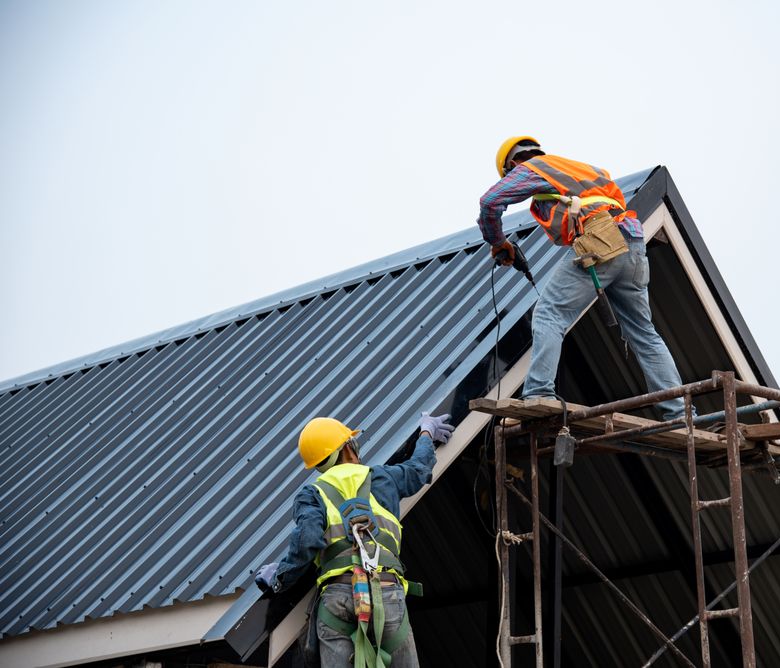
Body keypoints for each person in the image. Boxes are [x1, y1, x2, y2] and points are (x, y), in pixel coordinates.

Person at [478, 136, 690, 422]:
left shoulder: (534, 167)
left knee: (549, 313)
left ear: (513, 164)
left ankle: (539, 393)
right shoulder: (584, 170)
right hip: (632, 242)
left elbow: (490, 202)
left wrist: (497, 241)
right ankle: (679, 414)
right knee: (644, 332)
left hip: (601, 239)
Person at [255, 412, 455, 667]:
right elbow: (418, 469)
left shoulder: (312, 493)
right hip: (386, 591)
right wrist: (426, 433)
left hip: (337, 598)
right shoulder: (383, 478)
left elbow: (306, 541)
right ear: (348, 448)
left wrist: (280, 577)